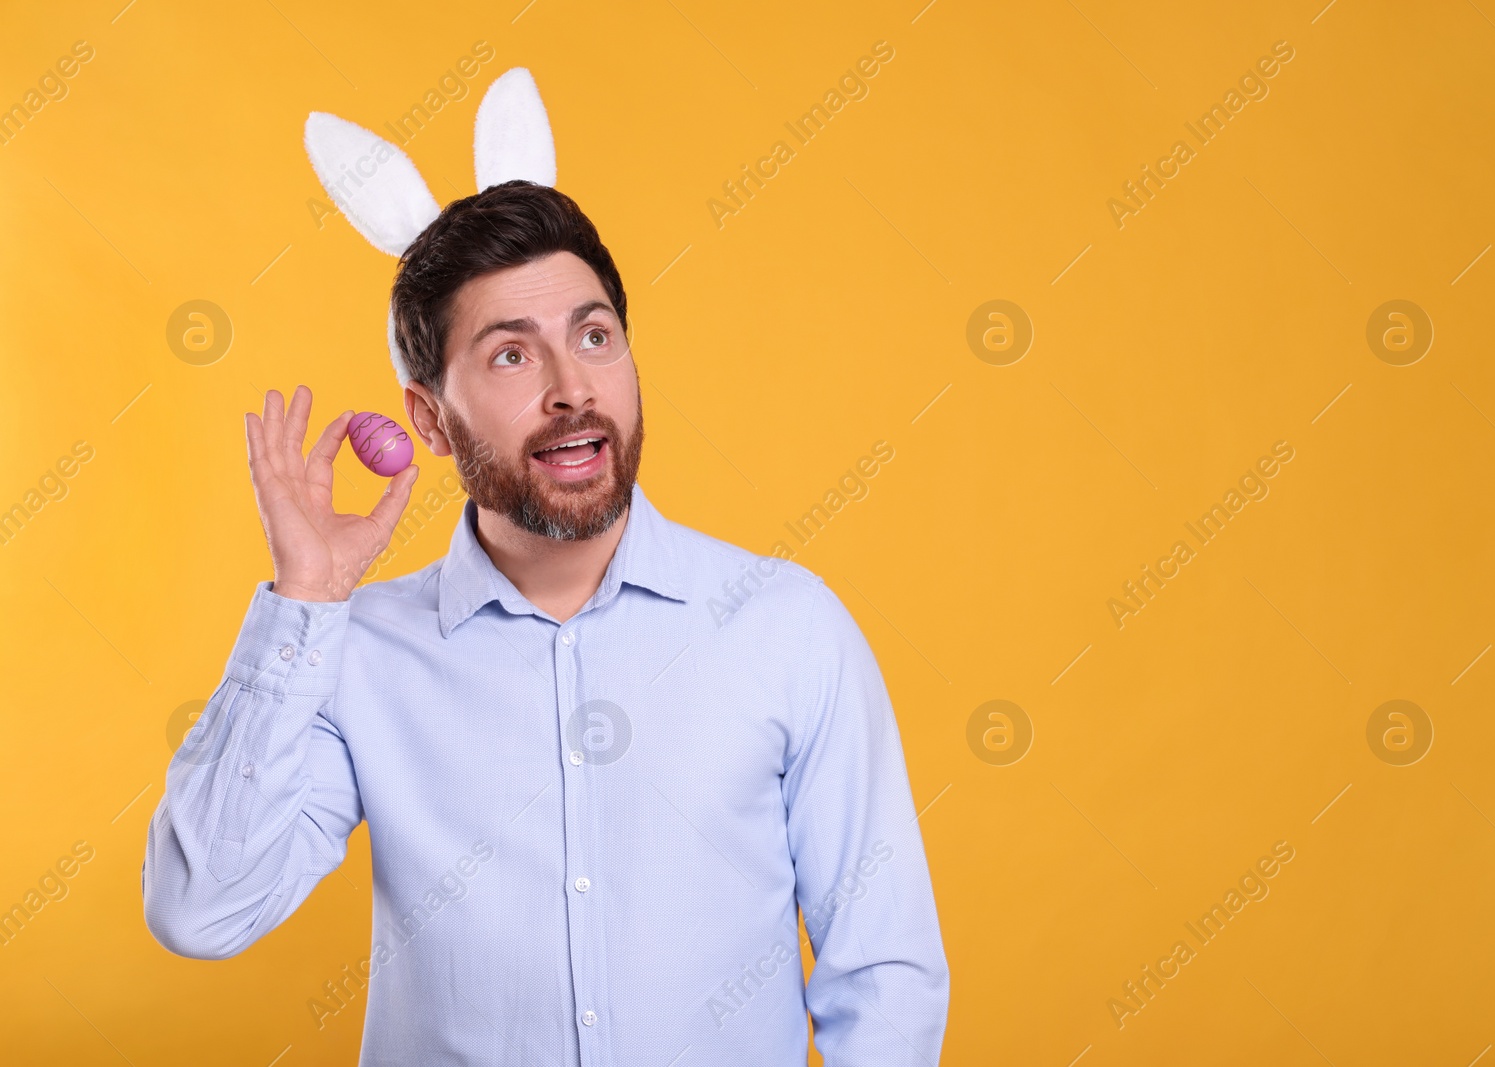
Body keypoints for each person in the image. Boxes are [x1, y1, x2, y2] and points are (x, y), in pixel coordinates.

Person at [142, 180, 949, 1066]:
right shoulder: (355, 650)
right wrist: (303, 599)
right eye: (511, 357)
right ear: (429, 419)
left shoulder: (785, 626)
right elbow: (201, 909)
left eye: (594, 337)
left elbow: (882, 971)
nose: (573, 388)